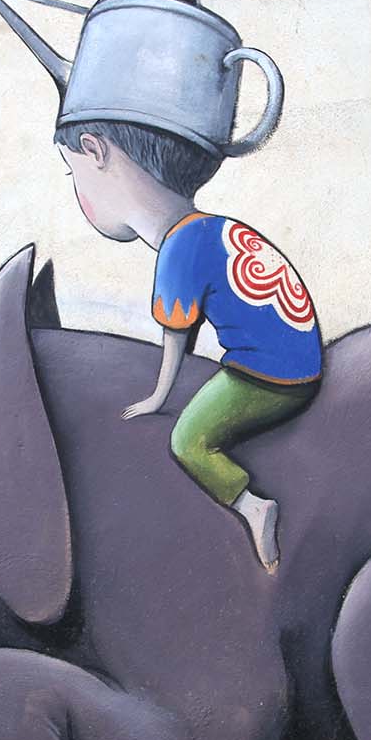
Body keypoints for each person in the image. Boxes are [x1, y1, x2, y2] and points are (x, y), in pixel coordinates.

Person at [56, 119, 322, 573]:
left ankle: (253, 506)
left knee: (187, 441)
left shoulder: (179, 248)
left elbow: (176, 337)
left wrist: (158, 398)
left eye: (71, 171)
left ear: (95, 151)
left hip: (270, 379)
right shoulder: (212, 227)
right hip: (300, 363)